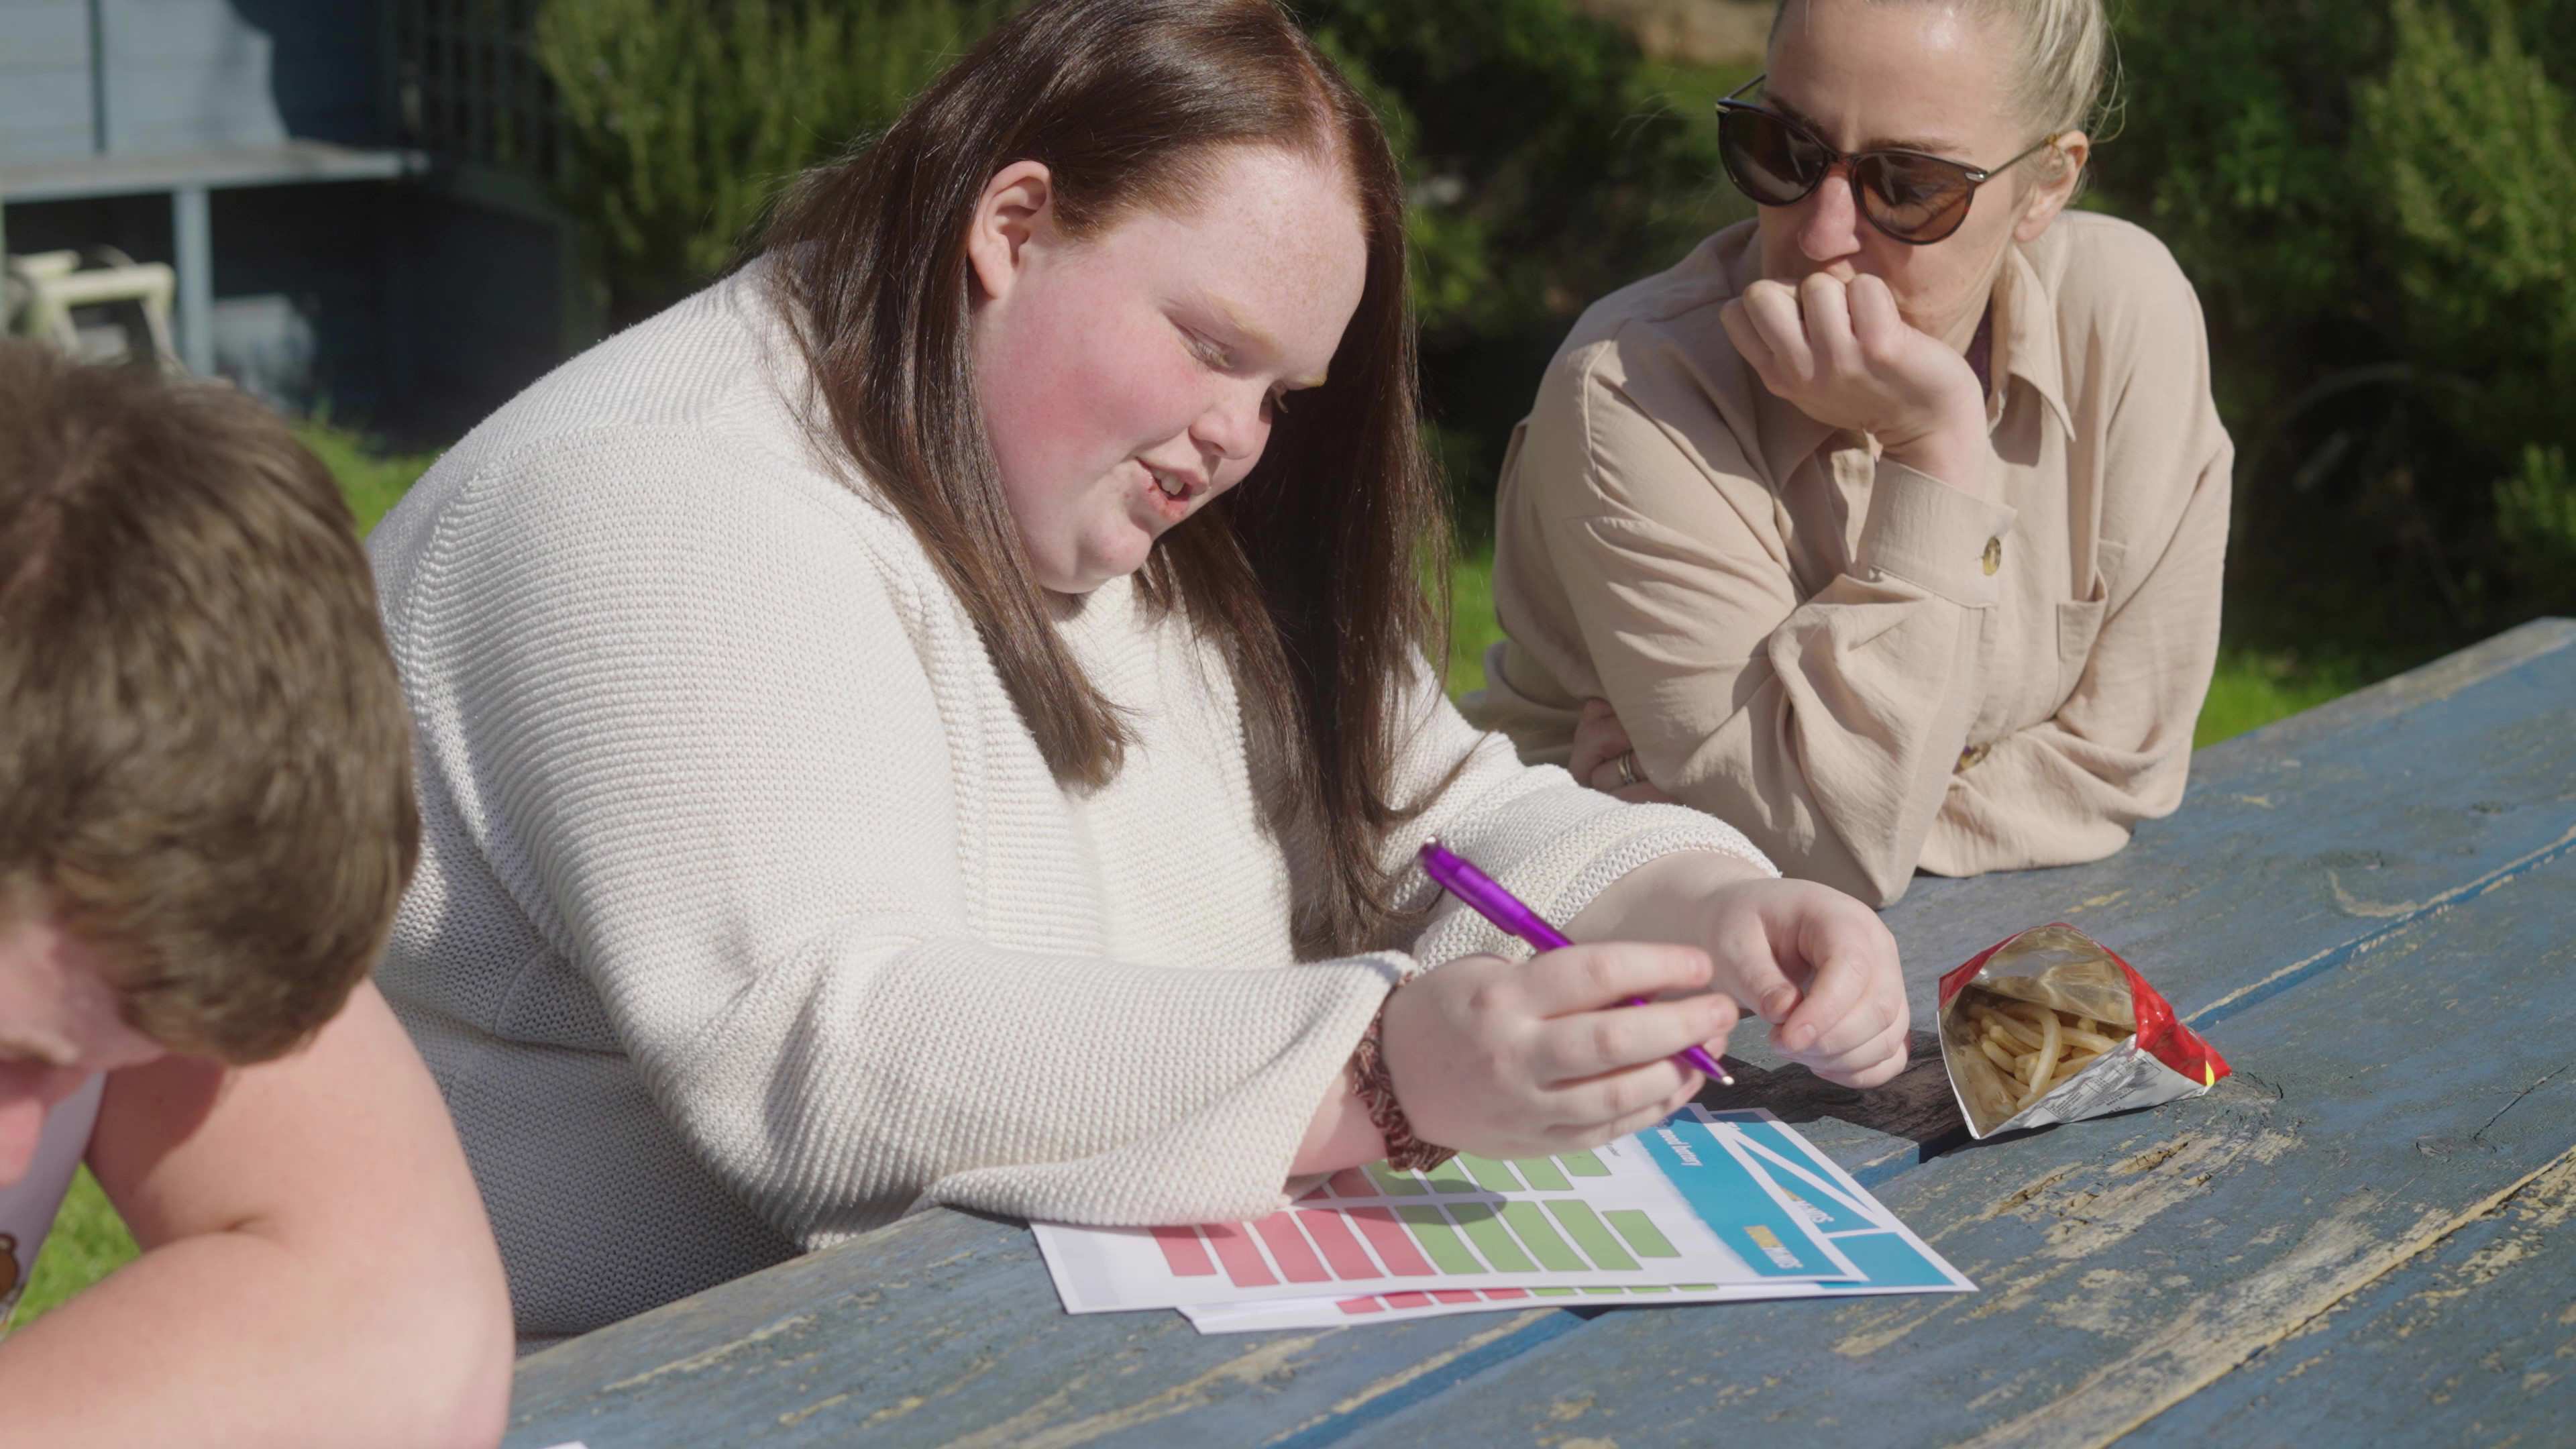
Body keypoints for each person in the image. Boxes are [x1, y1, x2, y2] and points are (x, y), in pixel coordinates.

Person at [368, 0, 1911, 1342]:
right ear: (1013, 226)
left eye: (1281, 391)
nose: (1239, 438)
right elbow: (824, 1044)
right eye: (1210, 347)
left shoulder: (1095, 488)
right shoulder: (652, 507)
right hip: (608, 1384)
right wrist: (1377, 1075)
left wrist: (1702, 906)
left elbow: (1437, 814)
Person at [1469, 0, 2232, 907]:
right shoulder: (1634, 391)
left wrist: (1853, 814)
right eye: (1785, 150)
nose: (1820, 233)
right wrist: (1938, 450)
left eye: (1908, 186)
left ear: (2046, 186)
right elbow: (1828, 851)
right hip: (1579, 941)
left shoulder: (2123, 319)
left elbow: (2129, 764)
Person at [0, 344, 513, 1444]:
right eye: (10, 1059)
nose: (16, 1155)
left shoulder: (93, 868)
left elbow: (403, 1325)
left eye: (86, 1068)